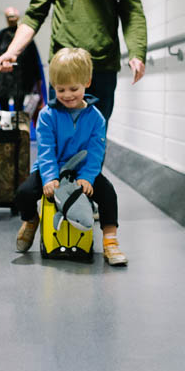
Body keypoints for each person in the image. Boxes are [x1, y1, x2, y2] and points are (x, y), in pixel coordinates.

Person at [0, 0, 147, 128]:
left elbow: (131, 10)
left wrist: (137, 51)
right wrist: (11, 52)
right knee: (59, 136)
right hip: (63, 66)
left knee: (94, 137)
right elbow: (34, 13)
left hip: (102, 65)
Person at [14, 48, 127, 266]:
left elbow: (96, 152)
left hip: (82, 171)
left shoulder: (96, 118)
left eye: (74, 88)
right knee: (24, 193)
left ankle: (110, 241)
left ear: (87, 82)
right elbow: (46, 149)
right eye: (60, 89)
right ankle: (30, 221)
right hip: (52, 167)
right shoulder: (47, 115)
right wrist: (49, 178)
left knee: (108, 194)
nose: (67, 95)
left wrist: (88, 177)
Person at [0, 7, 42, 112]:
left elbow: (34, 60)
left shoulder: (25, 38)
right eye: (9, 16)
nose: (11, 19)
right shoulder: (0, 36)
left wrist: (38, 79)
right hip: (3, 78)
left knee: (19, 107)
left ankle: (18, 125)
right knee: (3, 106)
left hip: (21, 77)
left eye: (13, 16)